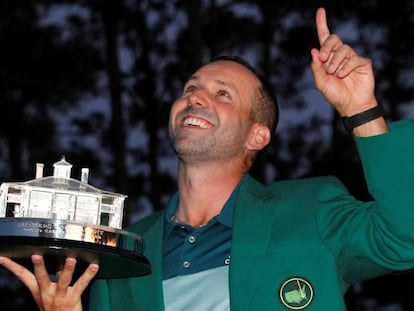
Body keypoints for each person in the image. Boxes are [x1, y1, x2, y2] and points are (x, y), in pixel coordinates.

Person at [1, 6, 414, 311]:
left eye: (223, 94)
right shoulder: (125, 256)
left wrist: (362, 111)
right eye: (189, 88)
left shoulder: (310, 209)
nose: (194, 96)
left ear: (257, 135)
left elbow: (405, 239)